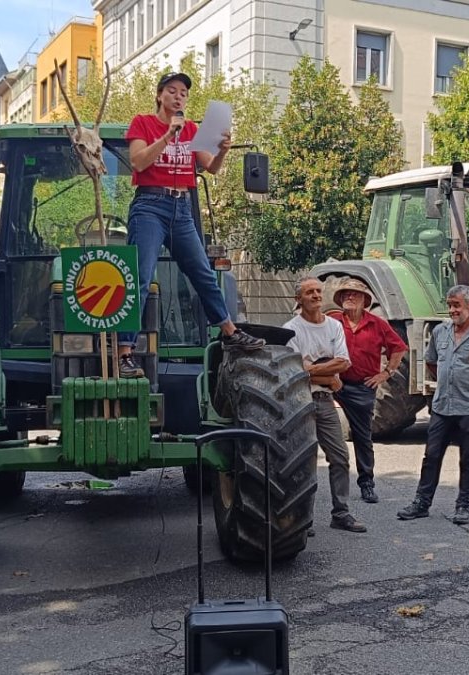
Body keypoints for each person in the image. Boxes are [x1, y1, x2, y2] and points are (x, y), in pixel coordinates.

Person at [118, 71, 264, 377]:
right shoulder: (142, 123)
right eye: (172, 91)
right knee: (141, 278)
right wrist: (168, 135)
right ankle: (125, 352)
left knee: (203, 272)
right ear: (159, 95)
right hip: (150, 206)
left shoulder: (193, 129)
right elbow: (139, 162)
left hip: (182, 207)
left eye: (183, 93)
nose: (178, 96)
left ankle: (229, 332)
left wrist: (223, 150)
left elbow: (210, 167)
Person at [283, 276, 367, 533]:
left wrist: (314, 370)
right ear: (299, 299)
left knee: (340, 458)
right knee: (303, 462)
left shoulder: (333, 326)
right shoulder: (291, 330)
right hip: (301, 401)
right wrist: (329, 377)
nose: (317, 296)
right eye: (310, 292)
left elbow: (344, 362)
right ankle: (302, 517)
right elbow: (295, 372)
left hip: (325, 400)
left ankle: (341, 513)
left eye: (319, 291)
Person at [397, 285, 469, 525]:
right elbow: (432, 362)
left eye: (457, 305)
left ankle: (464, 505)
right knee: (432, 455)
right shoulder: (440, 332)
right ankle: (422, 502)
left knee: (468, 458)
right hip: (442, 405)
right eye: (449, 305)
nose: (452, 310)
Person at [326, 278, 407, 504]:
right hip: (330, 383)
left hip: (362, 386)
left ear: (365, 301)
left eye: (355, 294)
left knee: (362, 436)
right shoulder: (332, 321)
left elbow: (398, 348)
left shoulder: (377, 324)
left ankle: (367, 483)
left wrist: (386, 373)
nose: (349, 297)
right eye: (346, 295)